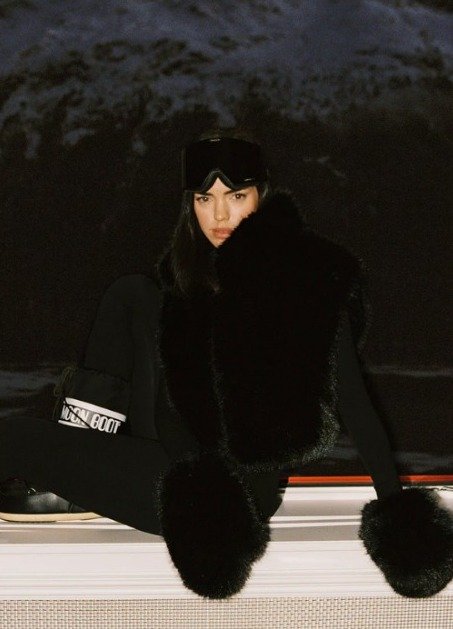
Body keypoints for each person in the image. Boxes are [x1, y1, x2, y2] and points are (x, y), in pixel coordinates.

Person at [0, 130, 451, 600]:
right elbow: (168, 399)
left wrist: (400, 520)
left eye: (235, 197)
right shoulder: (190, 278)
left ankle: (72, 479)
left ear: (261, 196)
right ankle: (75, 471)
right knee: (131, 293)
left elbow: (357, 406)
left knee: (9, 437)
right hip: (174, 456)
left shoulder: (306, 278)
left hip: (229, 494)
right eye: (204, 199)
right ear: (190, 205)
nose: (218, 215)